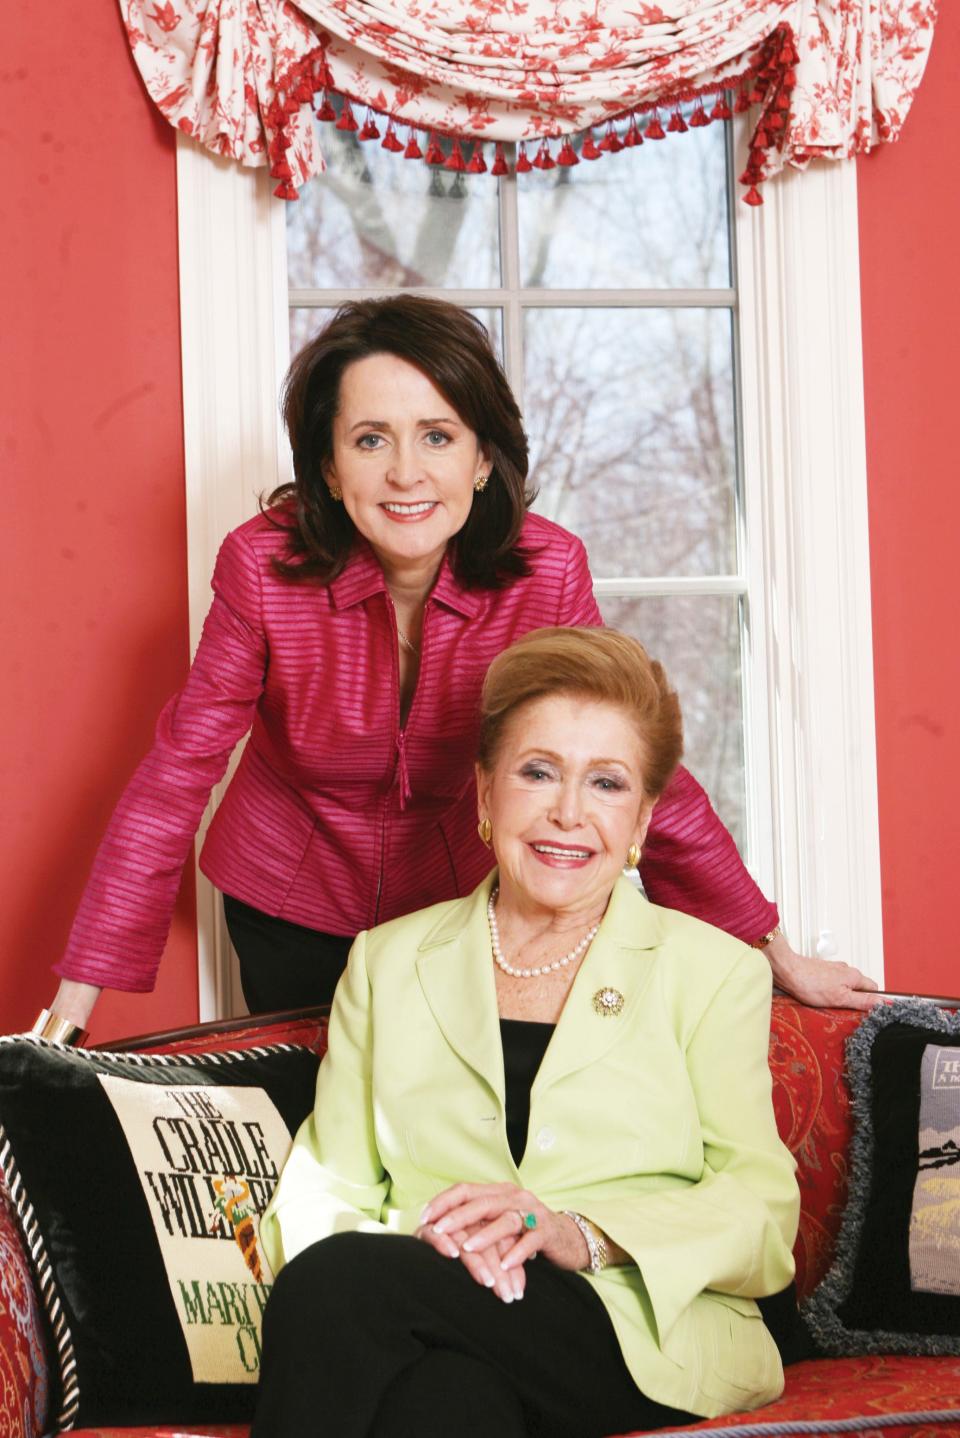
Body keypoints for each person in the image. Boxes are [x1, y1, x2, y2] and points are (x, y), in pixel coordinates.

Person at [32, 295, 876, 1044]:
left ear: (482, 459)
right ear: (328, 466)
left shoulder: (548, 573)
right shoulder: (261, 566)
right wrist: (69, 1016)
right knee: (308, 1130)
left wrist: (769, 947)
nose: (406, 473)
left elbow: (628, 761)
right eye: (371, 439)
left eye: (437, 436)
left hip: (460, 902)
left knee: (441, 1132)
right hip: (286, 892)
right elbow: (177, 772)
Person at [253, 627, 801, 1438]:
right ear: (483, 793)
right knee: (444, 1404)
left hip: (628, 1327)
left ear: (644, 819)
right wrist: (438, 1248)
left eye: (607, 784)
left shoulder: (712, 972)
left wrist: (581, 1235)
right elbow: (325, 1189)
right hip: (428, 1306)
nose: (568, 813)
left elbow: (762, 1210)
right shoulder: (387, 962)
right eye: (537, 772)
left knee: (334, 1285)